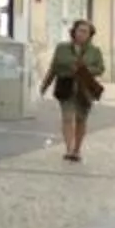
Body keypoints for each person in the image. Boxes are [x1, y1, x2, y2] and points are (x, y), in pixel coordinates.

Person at [46, 18, 108, 160]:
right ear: (73, 32)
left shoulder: (94, 51)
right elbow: (54, 66)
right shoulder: (62, 48)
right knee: (67, 117)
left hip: (84, 88)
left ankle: (77, 149)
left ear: (90, 34)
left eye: (86, 32)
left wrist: (85, 69)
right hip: (66, 85)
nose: (82, 34)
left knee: (81, 119)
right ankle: (68, 149)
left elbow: (100, 68)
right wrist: (46, 84)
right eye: (80, 30)